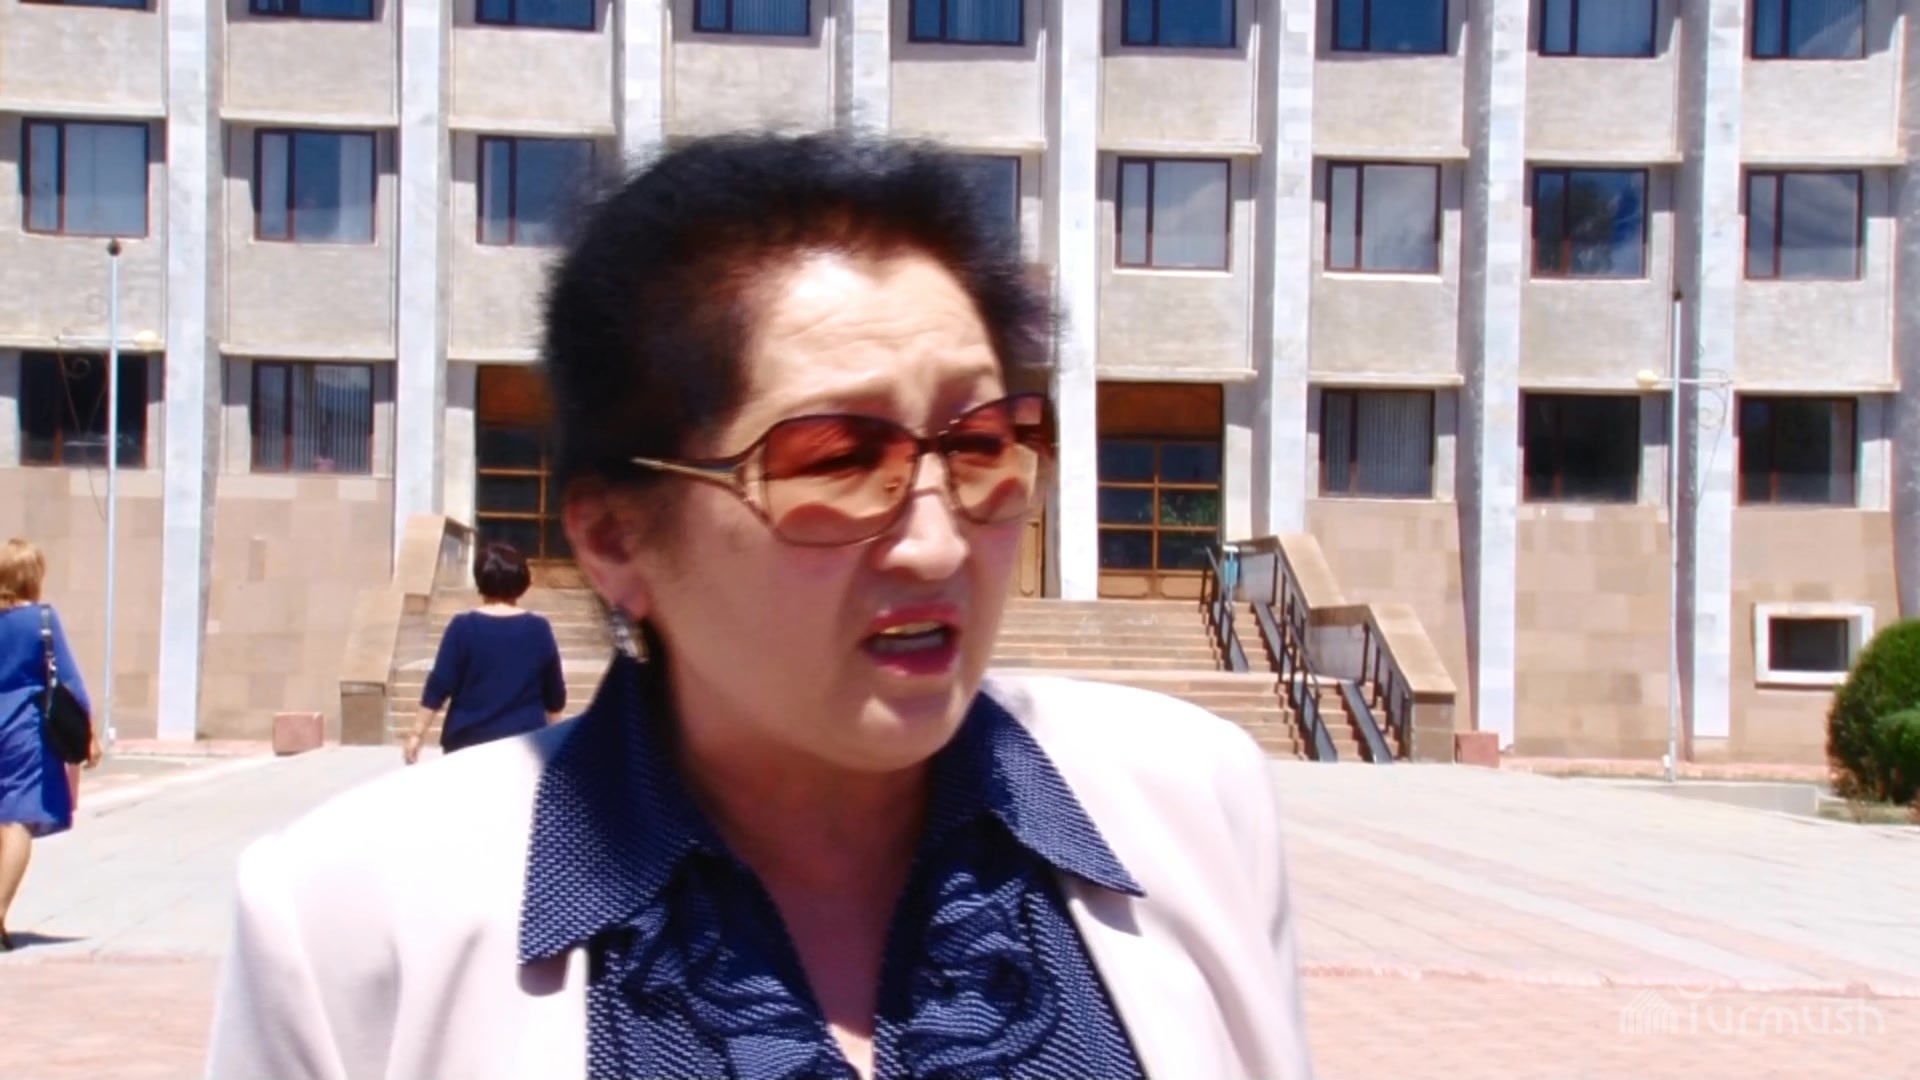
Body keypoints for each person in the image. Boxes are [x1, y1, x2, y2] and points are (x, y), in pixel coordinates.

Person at [206, 132, 1314, 1079]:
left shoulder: (1193, 806)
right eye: (835, 461)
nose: (938, 542)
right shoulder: (347, 918)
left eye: (982, 445)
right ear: (615, 537)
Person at [0, 538, 101, 952]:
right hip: (23, 729)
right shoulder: (40, 619)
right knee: (17, 819)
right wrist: (88, 731)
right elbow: (68, 679)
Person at [402, 541, 567, 765]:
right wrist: (558, 744)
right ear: (522, 580)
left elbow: (438, 686)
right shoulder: (538, 629)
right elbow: (554, 696)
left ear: (480, 579)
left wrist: (417, 734)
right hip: (523, 747)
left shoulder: (462, 627)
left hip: (467, 746)